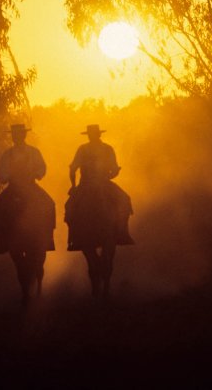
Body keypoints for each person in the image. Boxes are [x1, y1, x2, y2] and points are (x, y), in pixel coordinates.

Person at [65, 124, 134, 297]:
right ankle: (75, 236)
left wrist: (110, 174)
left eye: (94, 134)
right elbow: (73, 168)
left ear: (97, 134)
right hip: (87, 184)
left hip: (102, 183)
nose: (92, 136)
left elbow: (113, 168)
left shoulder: (107, 149)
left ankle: (122, 231)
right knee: (69, 206)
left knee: (125, 200)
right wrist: (73, 186)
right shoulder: (83, 149)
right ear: (89, 135)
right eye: (90, 134)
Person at [0, 124, 55, 304]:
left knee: (50, 204)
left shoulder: (33, 152)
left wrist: (36, 173)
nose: (16, 137)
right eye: (15, 134)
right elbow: (1, 172)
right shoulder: (7, 154)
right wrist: (6, 176)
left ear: (23, 135)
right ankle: (0, 240)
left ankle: (48, 235)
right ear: (13, 136)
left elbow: (42, 168)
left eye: (19, 134)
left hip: (31, 186)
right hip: (14, 187)